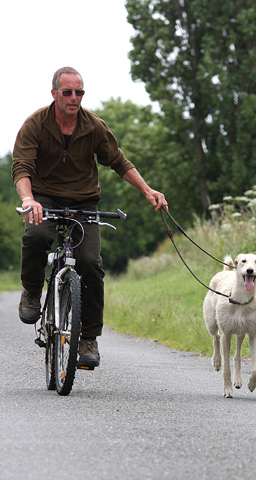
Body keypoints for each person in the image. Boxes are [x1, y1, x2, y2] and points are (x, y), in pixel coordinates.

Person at [12, 66, 168, 368]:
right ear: (55, 93)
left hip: (84, 201)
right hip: (43, 196)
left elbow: (118, 161)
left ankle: (88, 339)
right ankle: (32, 292)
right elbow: (21, 167)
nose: (74, 98)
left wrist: (147, 190)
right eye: (68, 92)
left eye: (79, 92)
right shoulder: (35, 124)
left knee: (91, 264)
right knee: (36, 235)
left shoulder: (93, 126)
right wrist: (29, 200)